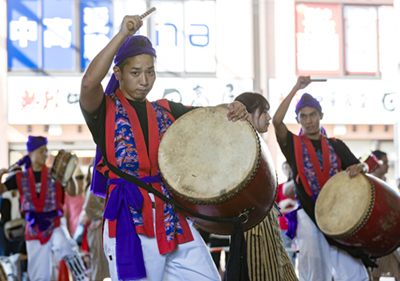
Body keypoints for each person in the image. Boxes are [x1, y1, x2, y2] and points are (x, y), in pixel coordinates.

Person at [79, 15, 249, 281]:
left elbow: (205, 115)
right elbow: (89, 82)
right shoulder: (104, 110)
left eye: (150, 71)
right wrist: (123, 33)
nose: (144, 80)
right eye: (135, 72)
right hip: (130, 221)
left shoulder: (165, 110)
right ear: (118, 73)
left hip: (171, 217)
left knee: (209, 277)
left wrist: (232, 107)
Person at [272, 76, 370, 281]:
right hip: (309, 215)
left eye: (313, 115)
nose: (308, 120)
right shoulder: (293, 145)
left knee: (354, 272)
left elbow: (360, 168)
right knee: (316, 275)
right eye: (303, 116)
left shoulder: (336, 145)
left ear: (321, 115)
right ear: (298, 119)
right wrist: (296, 87)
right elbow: (277, 121)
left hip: (340, 215)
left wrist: (361, 166)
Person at [0, 136, 88, 281]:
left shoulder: (55, 173)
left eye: (46, 150)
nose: (45, 154)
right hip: (34, 226)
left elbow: (72, 191)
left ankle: (81, 278)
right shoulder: (20, 177)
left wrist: (68, 173)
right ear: (30, 154)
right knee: (39, 273)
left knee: (66, 246)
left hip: (55, 223)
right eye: (41, 151)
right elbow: (2, 190)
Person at [234, 92, 298, 281]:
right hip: (254, 225)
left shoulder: (255, 141)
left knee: (284, 273)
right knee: (264, 275)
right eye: (264, 112)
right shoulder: (241, 142)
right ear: (247, 114)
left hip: (266, 218)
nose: (269, 117)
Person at [368, 150, 400, 281]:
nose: (387, 166)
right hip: (376, 236)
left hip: (386, 234)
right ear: (376, 164)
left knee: (388, 270)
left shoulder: (383, 181)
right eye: (384, 162)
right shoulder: (371, 182)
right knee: (376, 272)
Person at [276, 161, 297, 267]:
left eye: (289, 167)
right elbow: (277, 209)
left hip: (297, 225)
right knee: (286, 254)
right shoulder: (279, 188)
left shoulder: (298, 186)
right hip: (284, 226)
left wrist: (289, 204)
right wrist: (289, 205)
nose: (287, 170)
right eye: (285, 168)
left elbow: (298, 206)